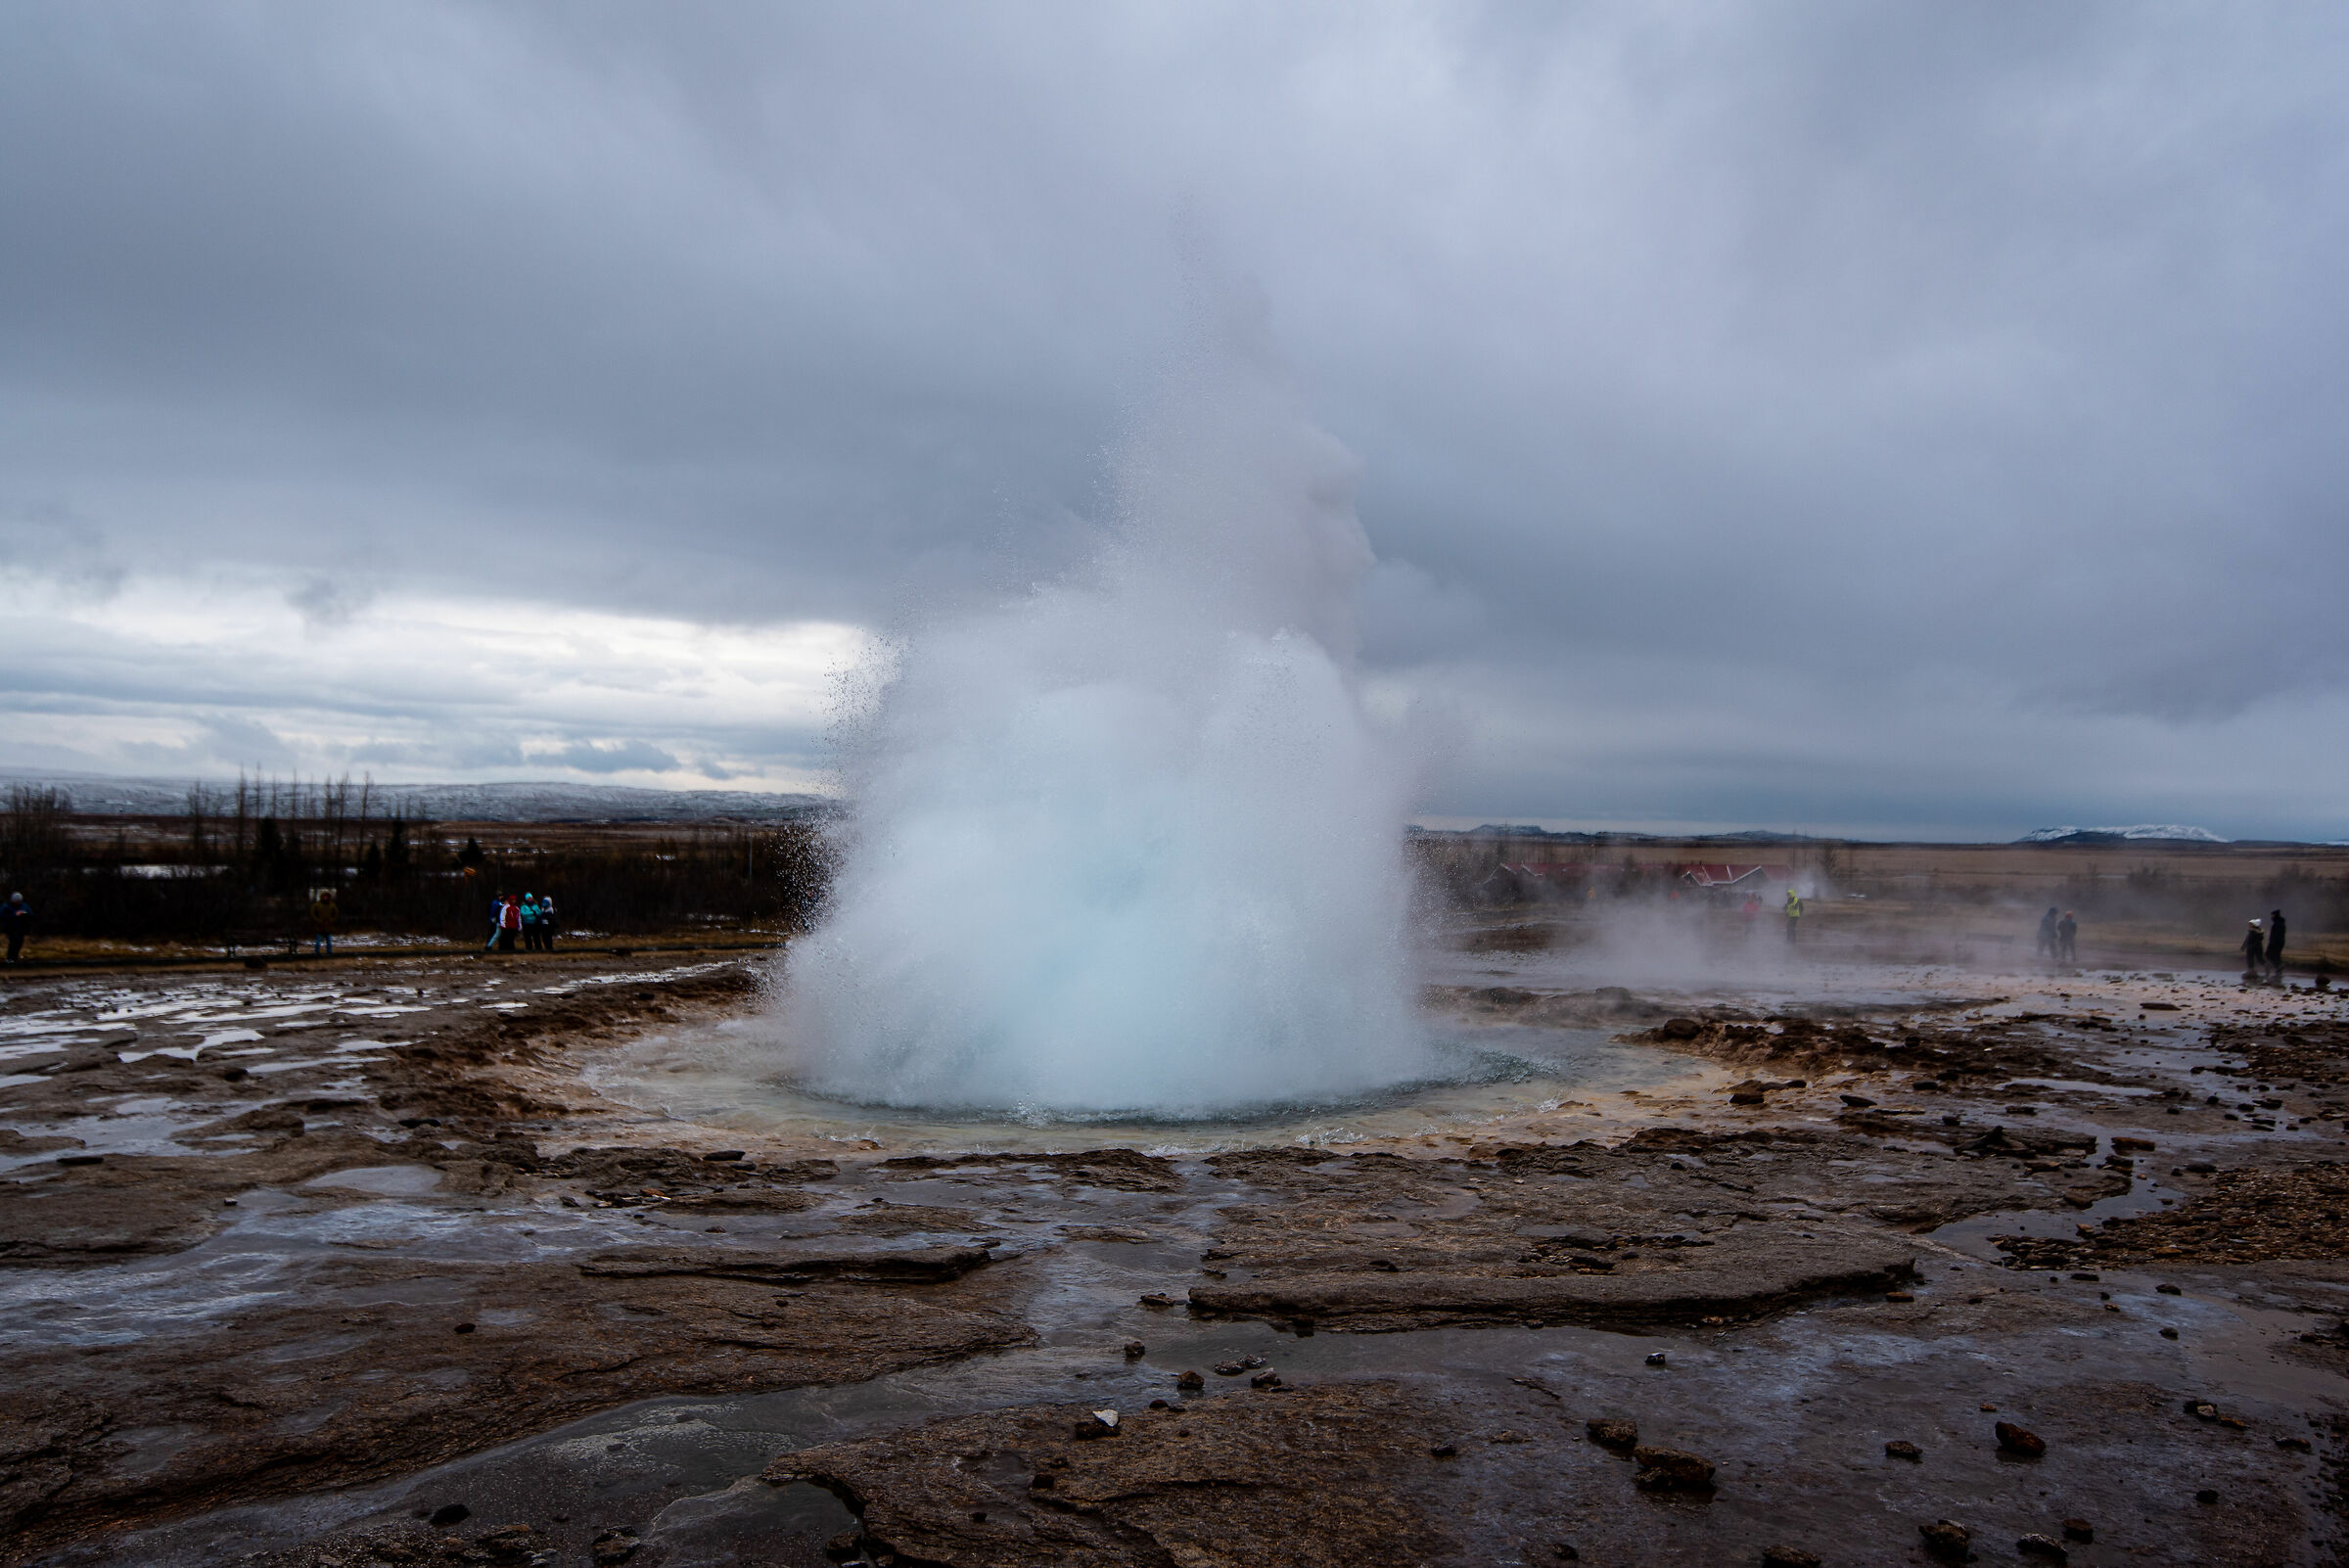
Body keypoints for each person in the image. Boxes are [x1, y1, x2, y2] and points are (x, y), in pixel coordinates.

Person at [308, 890, 340, 956]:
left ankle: (329, 952)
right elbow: (312, 913)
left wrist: (331, 920)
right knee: (318, 941)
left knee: (329, 941)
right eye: (324, 896)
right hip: (320, 925)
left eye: (326, 896)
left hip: (328, 926)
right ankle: (316, 952)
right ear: (322, 897)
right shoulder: (317, 905)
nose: (325, 897)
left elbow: (336, 913)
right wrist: (317, 920)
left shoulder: (332, 905)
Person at [3, 892, 29, 963]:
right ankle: (9, 958)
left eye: (19, 901)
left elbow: (30, 913)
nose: (18, 903)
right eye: (16, 901)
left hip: (21, 927)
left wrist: (23, 913)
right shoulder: (6, 906)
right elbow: (2, 915)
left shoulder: (24, 905)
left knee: (19, 942)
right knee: (14, 941)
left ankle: (14, 958)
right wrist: (14, 915)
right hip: (10, 927)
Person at [2268, 908, 2288, 982]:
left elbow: (2275, 935)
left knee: (2270, 955)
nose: (2271, 917)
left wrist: (2271, 943)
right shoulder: (2280, 923)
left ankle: (2278, 967)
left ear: (2275, 915)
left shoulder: (2277, 924)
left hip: (2275, 942)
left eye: (2272, 915)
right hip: (2280, 942)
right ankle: (2278, 971)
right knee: (2276, 955)